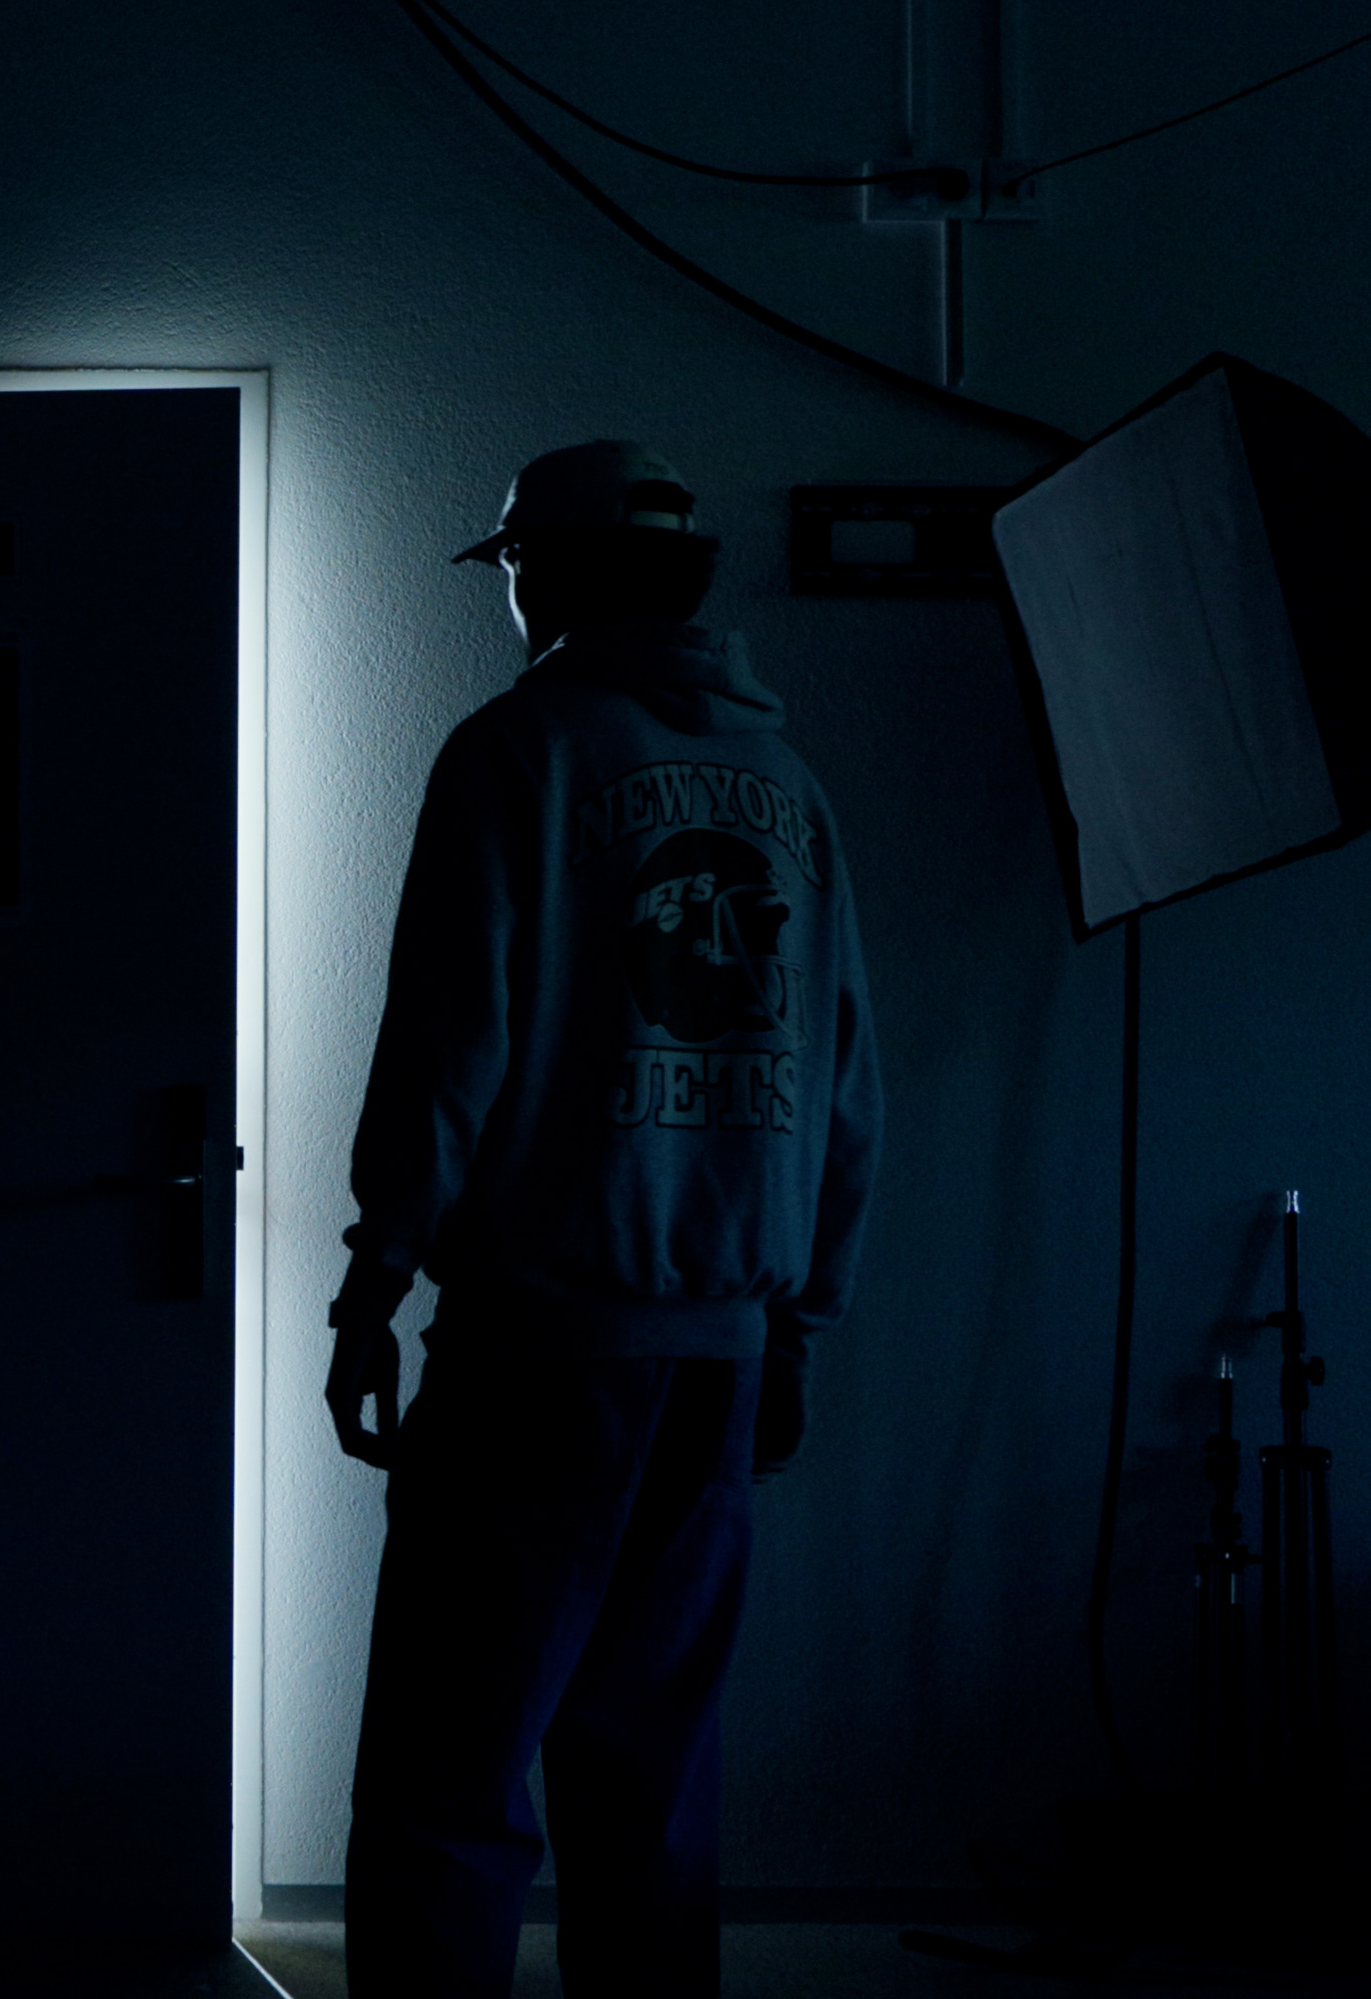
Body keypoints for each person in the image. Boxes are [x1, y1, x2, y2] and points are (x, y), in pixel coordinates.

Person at [326, 441, 882, 1999]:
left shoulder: (519, 752)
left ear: (549, 573)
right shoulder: (792, 791)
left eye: (512, 564)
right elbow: (847, 1093)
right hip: (722, 1355)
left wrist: (371, 1284)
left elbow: (450, 1049)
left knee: (448, 1778)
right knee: (652, 1780)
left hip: (537, 1350)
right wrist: (798, 1332)